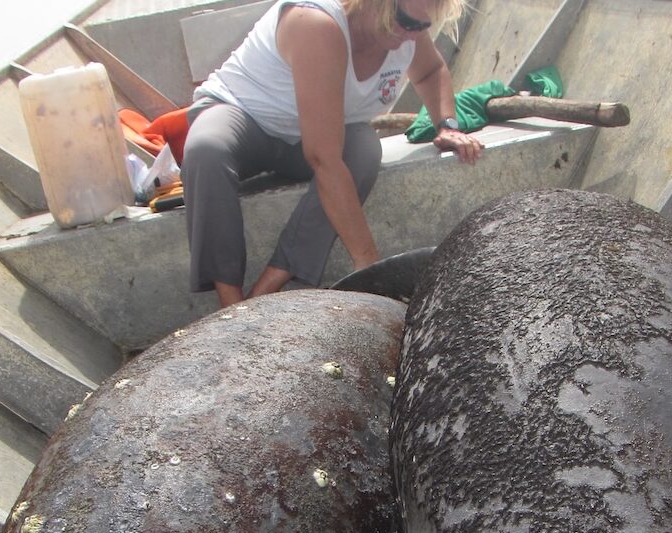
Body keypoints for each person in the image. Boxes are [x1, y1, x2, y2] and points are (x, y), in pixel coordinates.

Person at [182, 0, 483, 308]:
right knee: (206, 149)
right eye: (407, 22)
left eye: (422, 27)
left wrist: (446, 125)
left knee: (364, 148)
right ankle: (231, 307)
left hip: (306, 136)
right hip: (244, 117)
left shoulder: (407, 28)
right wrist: (370, 265)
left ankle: (270, 283)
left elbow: (431, 71)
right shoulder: (317, 22)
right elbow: (323, 158)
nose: (413, 35)